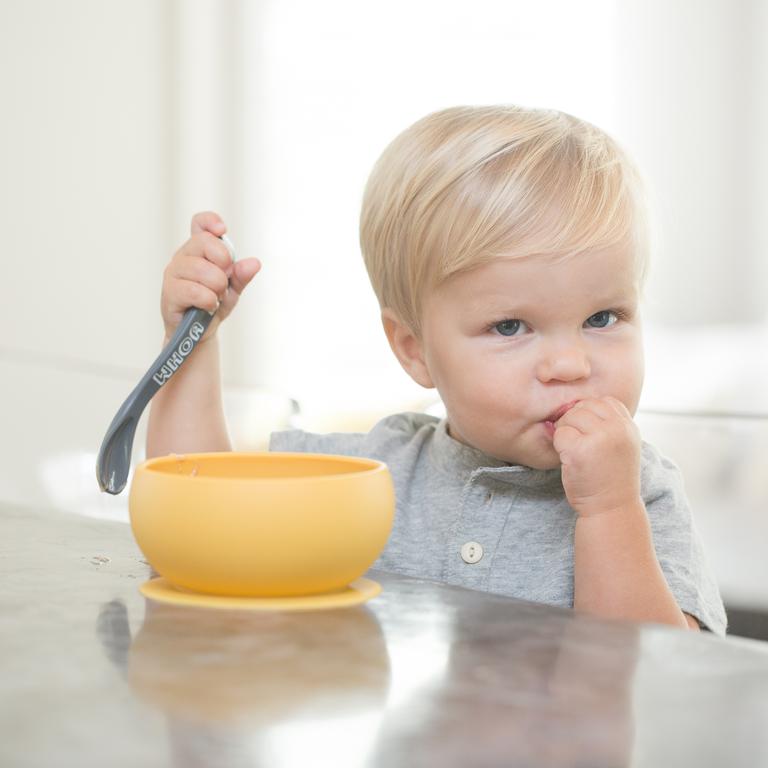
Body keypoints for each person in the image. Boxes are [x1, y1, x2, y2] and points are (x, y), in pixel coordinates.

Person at [147, 104, 726, 634]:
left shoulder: (642, 495)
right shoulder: (375, 473)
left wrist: (608, 509)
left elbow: (657, 684)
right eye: (510, 327)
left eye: (603, 317)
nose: (571, 365)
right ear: (413, 349)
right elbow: (198, 525)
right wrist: (192, 344)